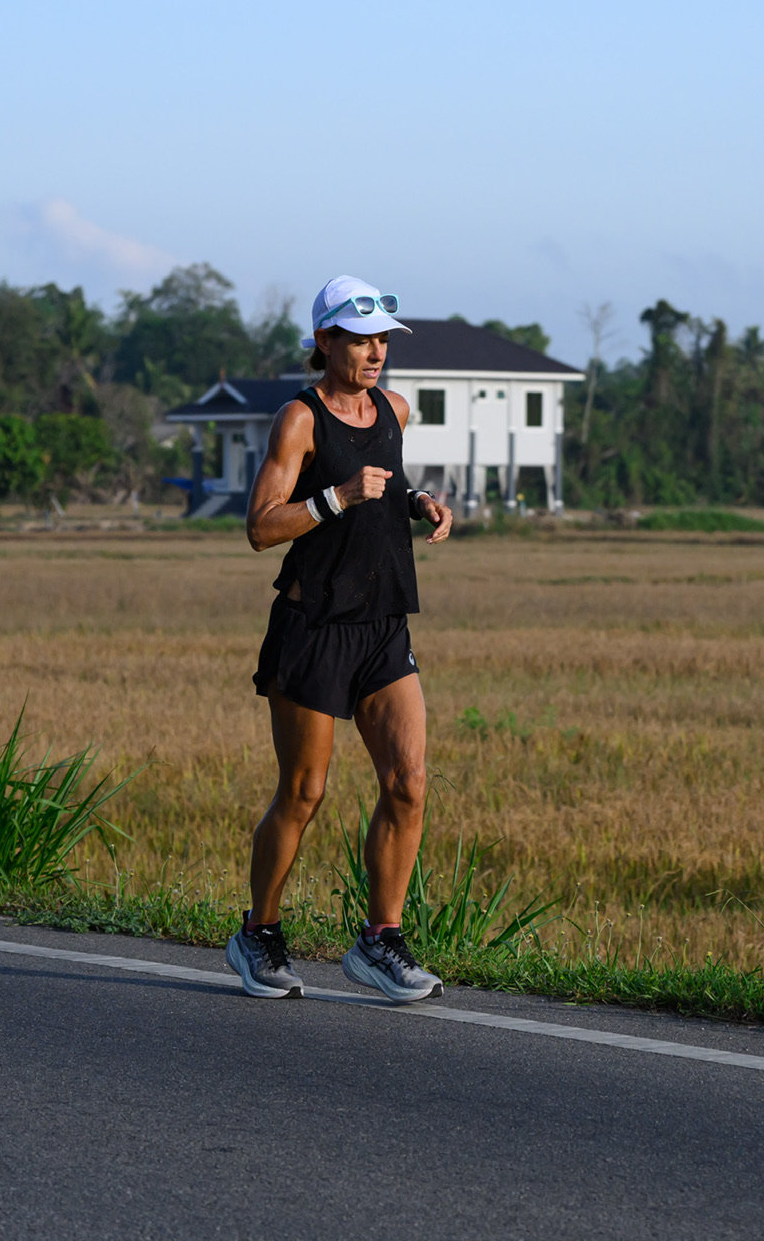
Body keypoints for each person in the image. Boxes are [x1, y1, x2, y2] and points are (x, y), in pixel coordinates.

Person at [225, 275, 454, 1002]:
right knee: (304, 792)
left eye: (382, 338)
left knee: (409, 783)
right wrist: (336, 498)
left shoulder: (394, 408)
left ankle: (379, 940)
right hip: (313, 627)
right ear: (324, 342)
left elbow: (383, 476)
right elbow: (262, 526)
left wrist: (415, 501)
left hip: (383, 624)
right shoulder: (299, 419)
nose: (376, 351)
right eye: (359, 339)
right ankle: (258, 932)